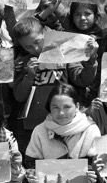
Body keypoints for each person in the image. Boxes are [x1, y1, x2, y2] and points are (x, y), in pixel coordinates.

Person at [25, 82, 104, 183]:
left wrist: (92, 175)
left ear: (77, 106)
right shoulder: (40, 130)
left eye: (67, 107)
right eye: (55, 107)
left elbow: (98, 163)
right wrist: (32, 178)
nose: (61, 113)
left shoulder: (90, 129)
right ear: (49, 108)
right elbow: (30, 163)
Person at [10, 16, 98, 156]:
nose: (35, 48)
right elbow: (19, 96)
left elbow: (83, 80)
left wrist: (91, 60)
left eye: (37, 42)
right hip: (34, 125)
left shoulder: (63, 54)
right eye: (28, 46)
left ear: (45, 34)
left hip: (64, 122)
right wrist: (29, 76)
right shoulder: (24, 63)